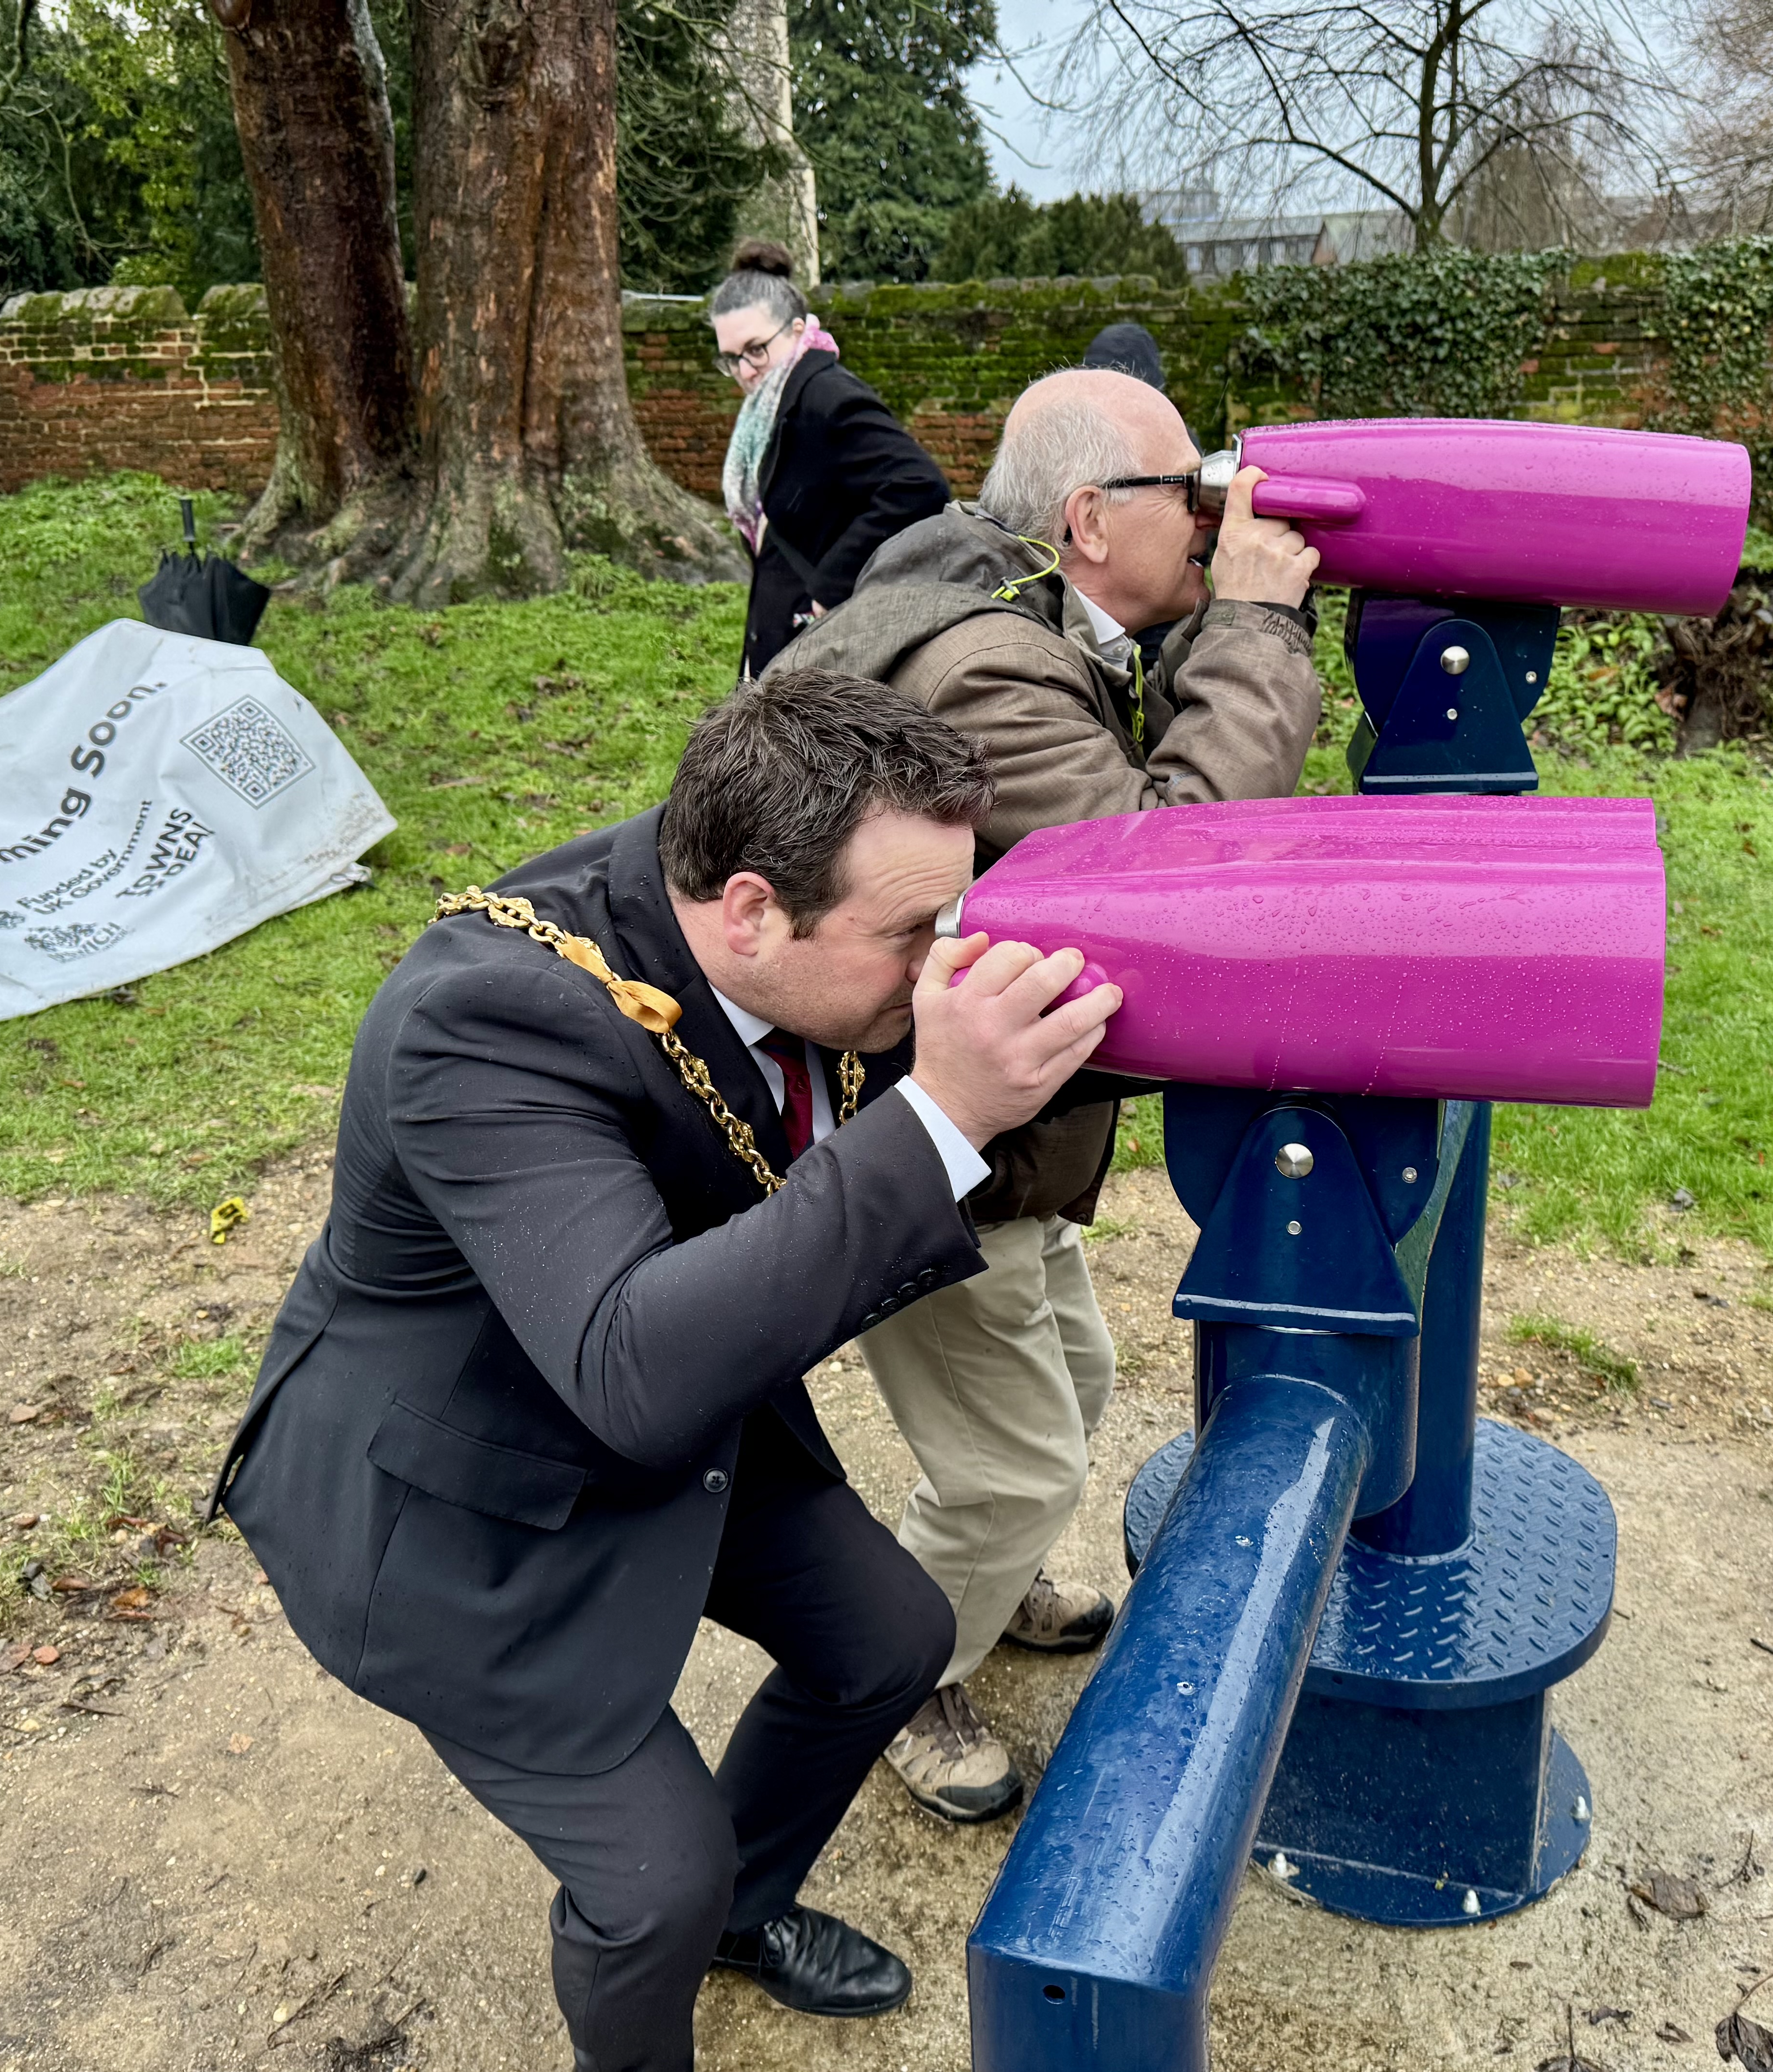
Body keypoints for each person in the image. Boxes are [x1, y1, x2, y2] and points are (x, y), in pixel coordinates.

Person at [207, 670, 1122, 2072]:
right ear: (752, 908)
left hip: (686, 1406)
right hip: (467, 1503)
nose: (943, 966)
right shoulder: (486, 1019)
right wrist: (942, 1113)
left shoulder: (763, 911)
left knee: (889, 1641)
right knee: (651, 1884)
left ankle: (745, 1915)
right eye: (914, 935)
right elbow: (630, 1363)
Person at [770, 366, 1324, 1821]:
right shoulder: (983, 673)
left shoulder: (1008, 607)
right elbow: (1169, 871)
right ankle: (898, 1674)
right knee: (1013, 1466)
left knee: (1068, 1386)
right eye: (1182, 496)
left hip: (990, 1124)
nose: (1209, 520)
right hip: (926, 1136)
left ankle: (980, 1578)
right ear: (1086, 518)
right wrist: (1254, 625)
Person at [709, 242, 949, 678]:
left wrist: (831, 586)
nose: (745, 371)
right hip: (780, 631)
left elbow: (918, 485)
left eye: (756, 349)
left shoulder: (826, 395)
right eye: (731, 359)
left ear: (797, 329)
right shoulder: (767, 408)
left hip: (818, 642)